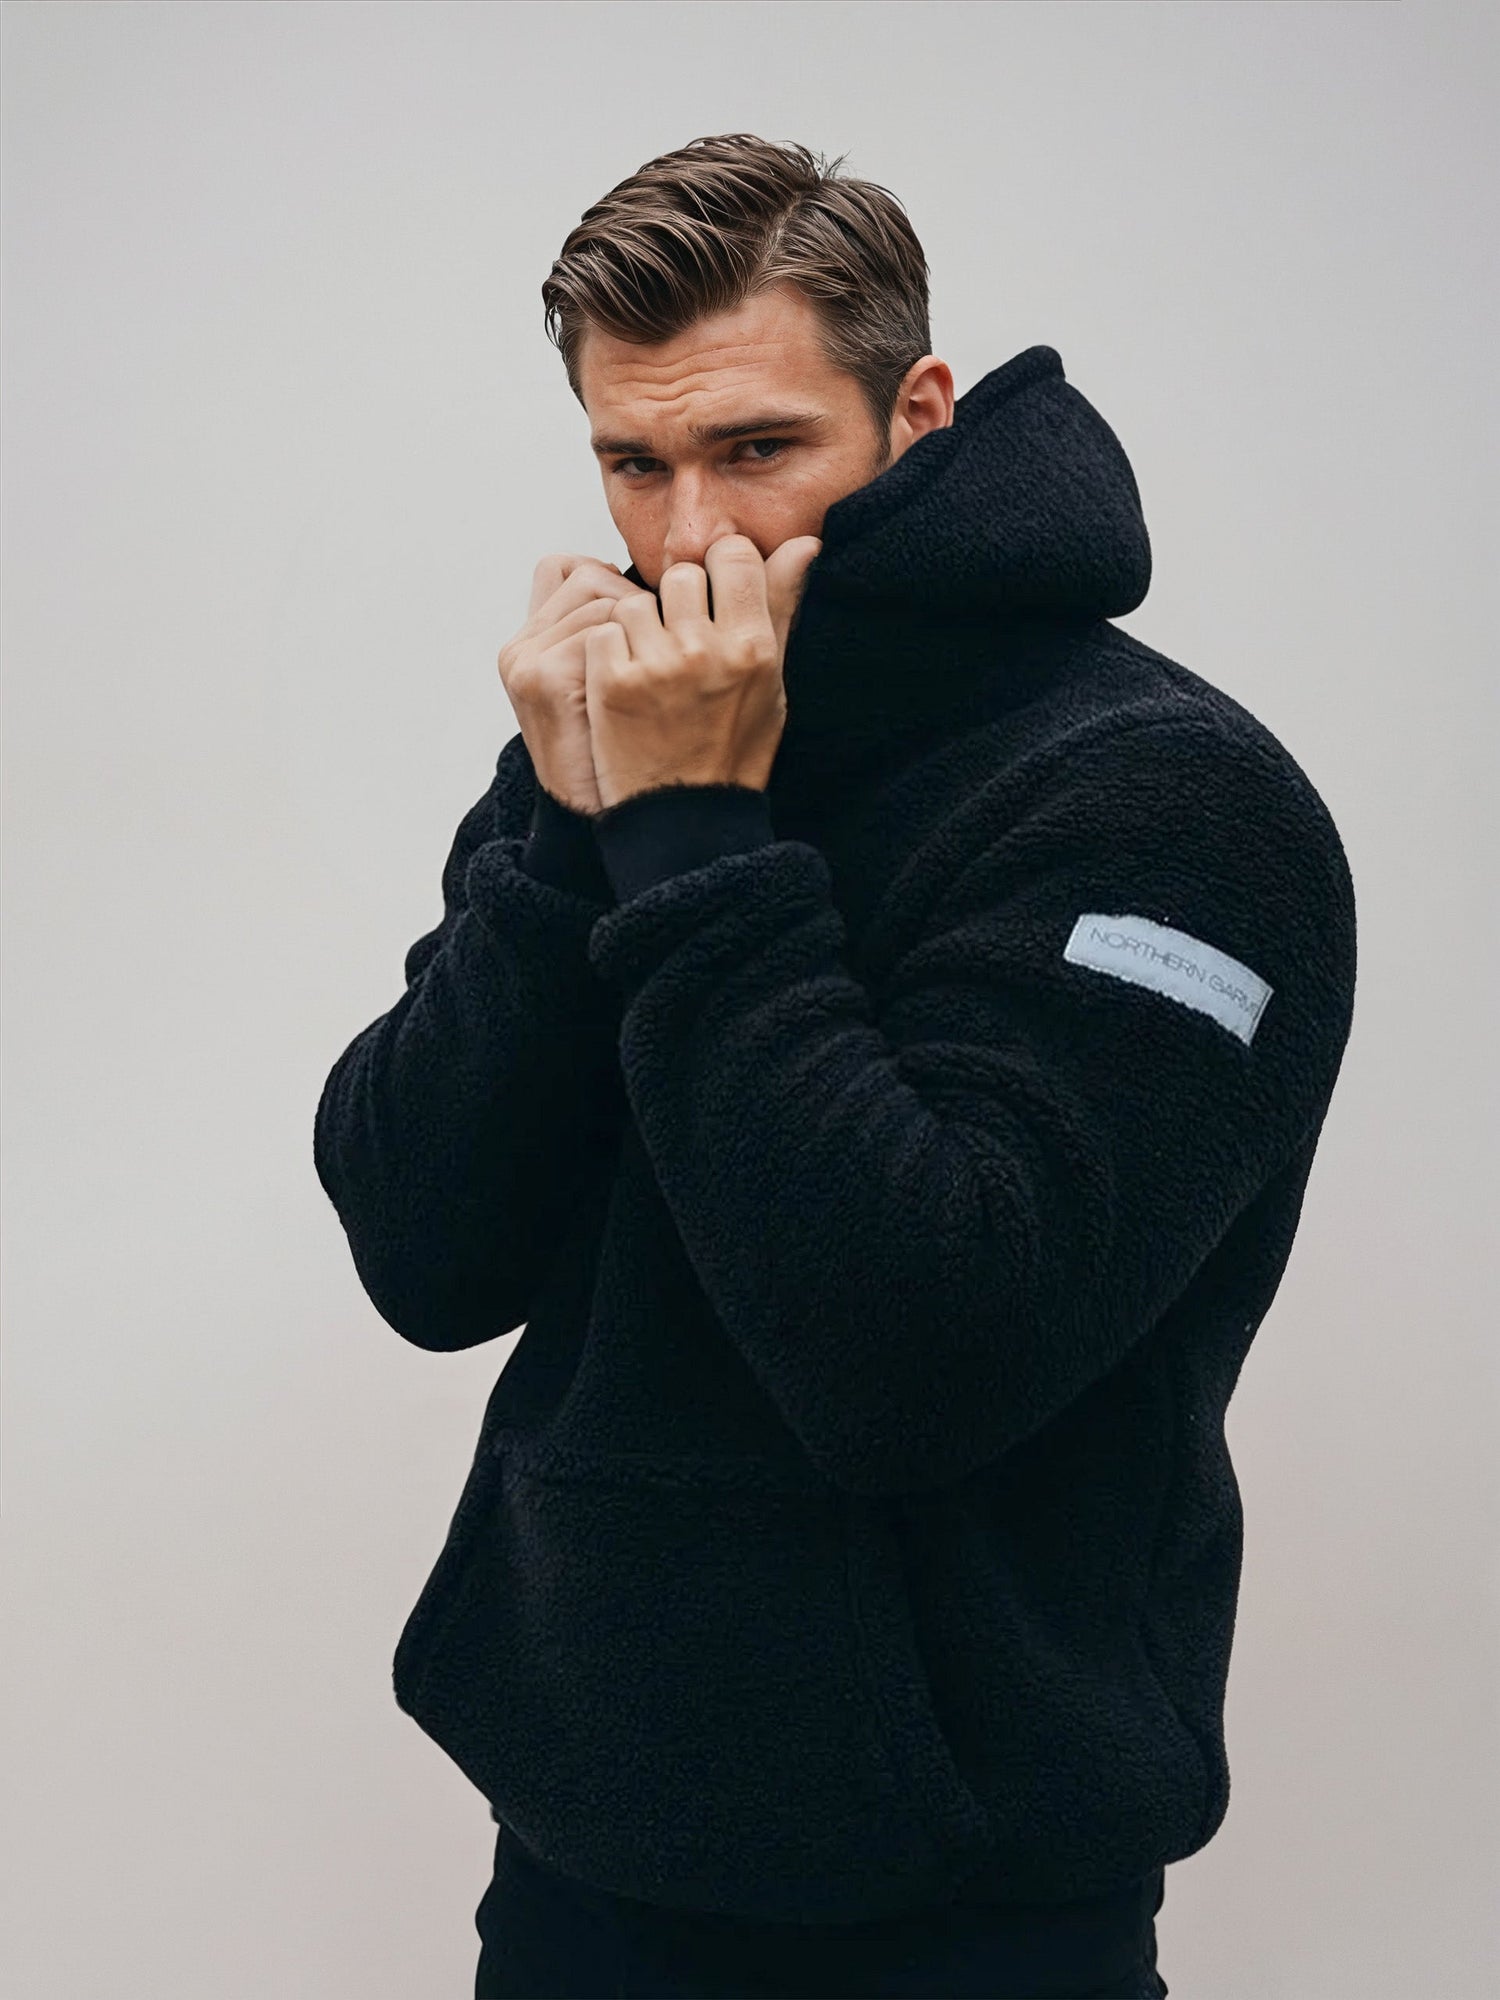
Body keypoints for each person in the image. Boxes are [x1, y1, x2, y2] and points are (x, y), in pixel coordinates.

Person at [314, 131, 1357, 2000]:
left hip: (966, 1912)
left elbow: (920, 1353)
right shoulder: (623, 739)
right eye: (634, 463)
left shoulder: (1174, 803)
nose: (688, 539)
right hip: (579, 1855)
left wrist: (696, 841)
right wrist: (569, 838)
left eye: (757, 449)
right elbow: (423, 1253)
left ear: (918, 414)